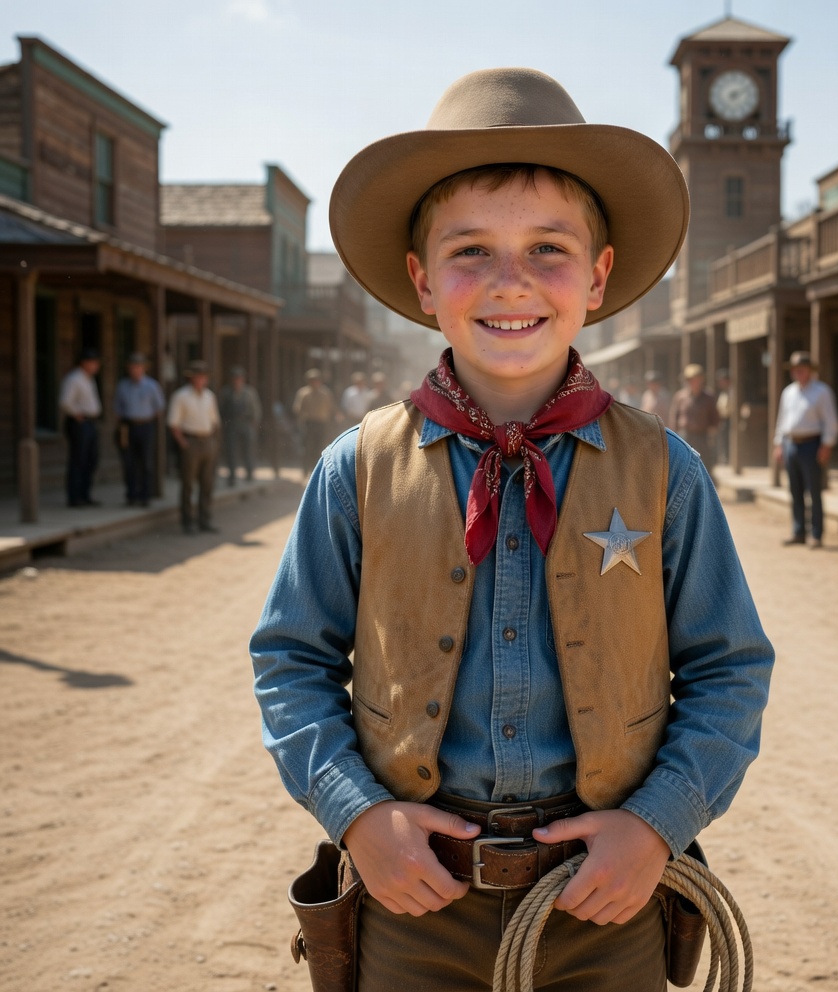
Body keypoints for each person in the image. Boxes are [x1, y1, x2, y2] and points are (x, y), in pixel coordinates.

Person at [250, 67, 773, 992]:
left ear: (599, 276)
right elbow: (291, 659)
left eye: (547, 249)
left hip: (605, 897)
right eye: (471, 252)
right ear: (421, 282)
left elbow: (730, 668)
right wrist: (360, 815)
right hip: (415, 897)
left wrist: (657, 822)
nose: (510, 282)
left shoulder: (665, 472)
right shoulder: (358, 468)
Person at [772, 351, 838, 549]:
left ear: (810, 371)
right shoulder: (789, 392)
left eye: (802, 369)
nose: (798, 373)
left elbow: (831, 422)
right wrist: (779, 443)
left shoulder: (821, 392)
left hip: (812, 444)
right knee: (795, 490)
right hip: (791, 443)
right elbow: (782, 420)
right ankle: (798, 530)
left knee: (814, 490)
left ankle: (816, 533)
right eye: (795, 369)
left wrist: (827, 444)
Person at [168, 360, 221, 534]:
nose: (201, 380)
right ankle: (187, 521)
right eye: (197, 377)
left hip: (206, 441)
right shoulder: (181, 396)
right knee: (188, 484)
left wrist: (212, 441)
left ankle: (204, 519)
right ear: (191, 378)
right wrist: (183, 443)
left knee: (207, 484)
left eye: (203, 377)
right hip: (190, 440)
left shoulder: (209, 396)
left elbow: (214, 421)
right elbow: (174, 424)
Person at [114, 352, 165, 507]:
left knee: (146, 462)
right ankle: (131, 495)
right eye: (133, 367)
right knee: (129, 462)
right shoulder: (122, 386)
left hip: (146, 426)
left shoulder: (151, 385)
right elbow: (118, 409)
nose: (135, 370)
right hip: (128, 426)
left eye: (138, 367)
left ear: (143, 369)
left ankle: (145, 495)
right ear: (129, 369)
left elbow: (159, 407)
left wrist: (147, 420)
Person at [59, 348, 103, 508]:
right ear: (84, 363)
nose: (95, 366)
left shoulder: (88, 379)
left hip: (90, 422)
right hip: (80, 422)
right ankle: (75, 497)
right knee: (78, 459)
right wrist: (77, 415)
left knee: (91, 459)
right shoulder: (74, 379)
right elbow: (65, 401)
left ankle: (85, 494)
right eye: (93, 362)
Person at [669, 363, 719, 472]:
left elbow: (715, 417)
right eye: (690, 380)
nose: (693, 382)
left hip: (702, 436)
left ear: (701, 380)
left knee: (704, 465)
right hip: (685, 435)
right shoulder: (680, 397)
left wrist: (712, 430)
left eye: (696, 379)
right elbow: (674, 416)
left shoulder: (708, 397)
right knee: (683, 466)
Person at [219, 366, 262, 486]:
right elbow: (221, 410)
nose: (237, 381)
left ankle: (249, 473)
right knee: (231, 451)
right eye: (235, 378)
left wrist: (254, 423)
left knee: (248, 450)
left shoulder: (249, 392)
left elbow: (256, 409)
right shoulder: (226, 392)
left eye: (239, 378)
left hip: (246, 423)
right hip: (232, 424)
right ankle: (232, 476)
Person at [292, 368, 336, 476]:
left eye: (316, 380)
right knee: (307, 447)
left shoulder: (325, 393)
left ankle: (318, 471)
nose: (314, 382)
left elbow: (331, 408)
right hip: (309, 423)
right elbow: (297, 409)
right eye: (312, 380)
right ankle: (305, 469)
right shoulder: (303, 393)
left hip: (321, 423)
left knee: (320, 447)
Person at [715, 367, 732, 466]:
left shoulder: (732, 392)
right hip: (722, 419)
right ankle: (724, 457)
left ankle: (728, 459)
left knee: (728, 439)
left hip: (729, 419)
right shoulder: (723, 392)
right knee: (723, 439)